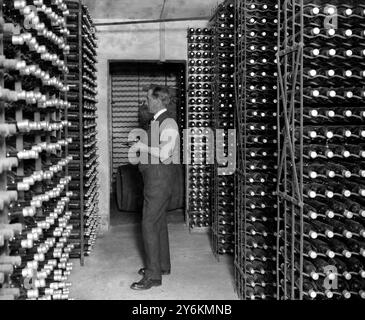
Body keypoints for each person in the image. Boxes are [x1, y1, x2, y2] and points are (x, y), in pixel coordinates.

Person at [130, 85, 179, 290]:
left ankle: (153, 276)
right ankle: (162, 266)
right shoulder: (158, 120)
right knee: (158, 222)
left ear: (159, 100)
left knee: (148, 223)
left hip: (159, 178)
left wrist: (142, 147)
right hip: (156, 177)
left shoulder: (168, 121)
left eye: (148, 98)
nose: (145, 102)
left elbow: (166, 153)